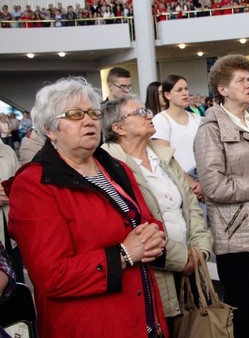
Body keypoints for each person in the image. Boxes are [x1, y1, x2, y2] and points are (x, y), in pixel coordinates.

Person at [7, 77, 168, 337]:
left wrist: (155, 236)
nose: (89, 120)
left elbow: (145, 221)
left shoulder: (115, 167)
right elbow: (52, 275)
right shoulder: (34, 184)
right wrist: (125, 254)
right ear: (50, 129)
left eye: (93, 113)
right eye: (75, 114)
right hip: (90, 326)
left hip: (144, 318)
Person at [101, 95, 213, 337]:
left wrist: (200, 250)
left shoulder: (162, 156)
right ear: (118, 128)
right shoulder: (109, 165)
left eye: (146, 109)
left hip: (191, 265)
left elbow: (190, 205)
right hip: (154, 272)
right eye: (139, 112)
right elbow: (135, 224)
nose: (148, 114)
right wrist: (183, 258)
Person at [193, 54, 249, 338]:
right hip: (236, 232)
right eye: (242, 80)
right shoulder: (210, 130)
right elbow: (215, 187)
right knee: (244, 311)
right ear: (222, 89)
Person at [152, 74, 204, 202]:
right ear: (167, 95)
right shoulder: (161, 119)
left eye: (186, 89)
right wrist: (191, 183)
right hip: (178, 178)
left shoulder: (196, 118)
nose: (185, 93)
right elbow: (165, 158)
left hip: (202, 175)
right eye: (179, 90)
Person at [0, 141, 22, 282]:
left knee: (18, 288)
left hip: (12, 236)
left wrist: (13, 192)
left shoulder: (7, 151)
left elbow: (20, 183)